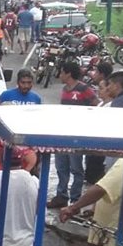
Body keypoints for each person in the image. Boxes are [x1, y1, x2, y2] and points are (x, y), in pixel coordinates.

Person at [47, 62, 98, 209]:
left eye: (62, 72)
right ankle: (61, 196)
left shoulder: (84, 89)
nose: (60, 75)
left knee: (76, 168)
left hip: (77, 135)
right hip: (63, 134)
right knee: (61, 166)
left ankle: (75, 199)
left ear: (68, 73)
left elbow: (97, 105)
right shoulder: (64, 89)